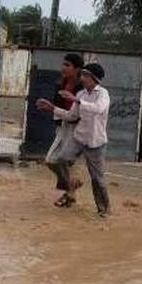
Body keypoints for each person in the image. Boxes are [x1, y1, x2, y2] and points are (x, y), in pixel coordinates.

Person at [36, 63, 111, 217]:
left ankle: (104, 210)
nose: (82, 78)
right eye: (82, 75)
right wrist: (52, 108)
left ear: (94, 79)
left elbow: (98, 108)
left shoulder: (103, 94)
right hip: (79, 138)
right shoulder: (81, 94)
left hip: (96, 142)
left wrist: (76, 101)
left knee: (97, 179)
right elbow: (72, 116)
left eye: (85, 76)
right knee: (58, 160)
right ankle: (71, 186)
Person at [41, 53, 84, 206]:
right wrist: (49, 108)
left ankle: (70, 193)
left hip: (77, 128)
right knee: (50, 160)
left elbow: (79, 113)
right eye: (63, 64)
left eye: (68, 65)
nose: (63, 68)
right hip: (63, 125)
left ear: (77, 69)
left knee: (65, 161)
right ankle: (72, 184)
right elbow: (58, 107)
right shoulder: (61, 84)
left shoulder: (82, 89)